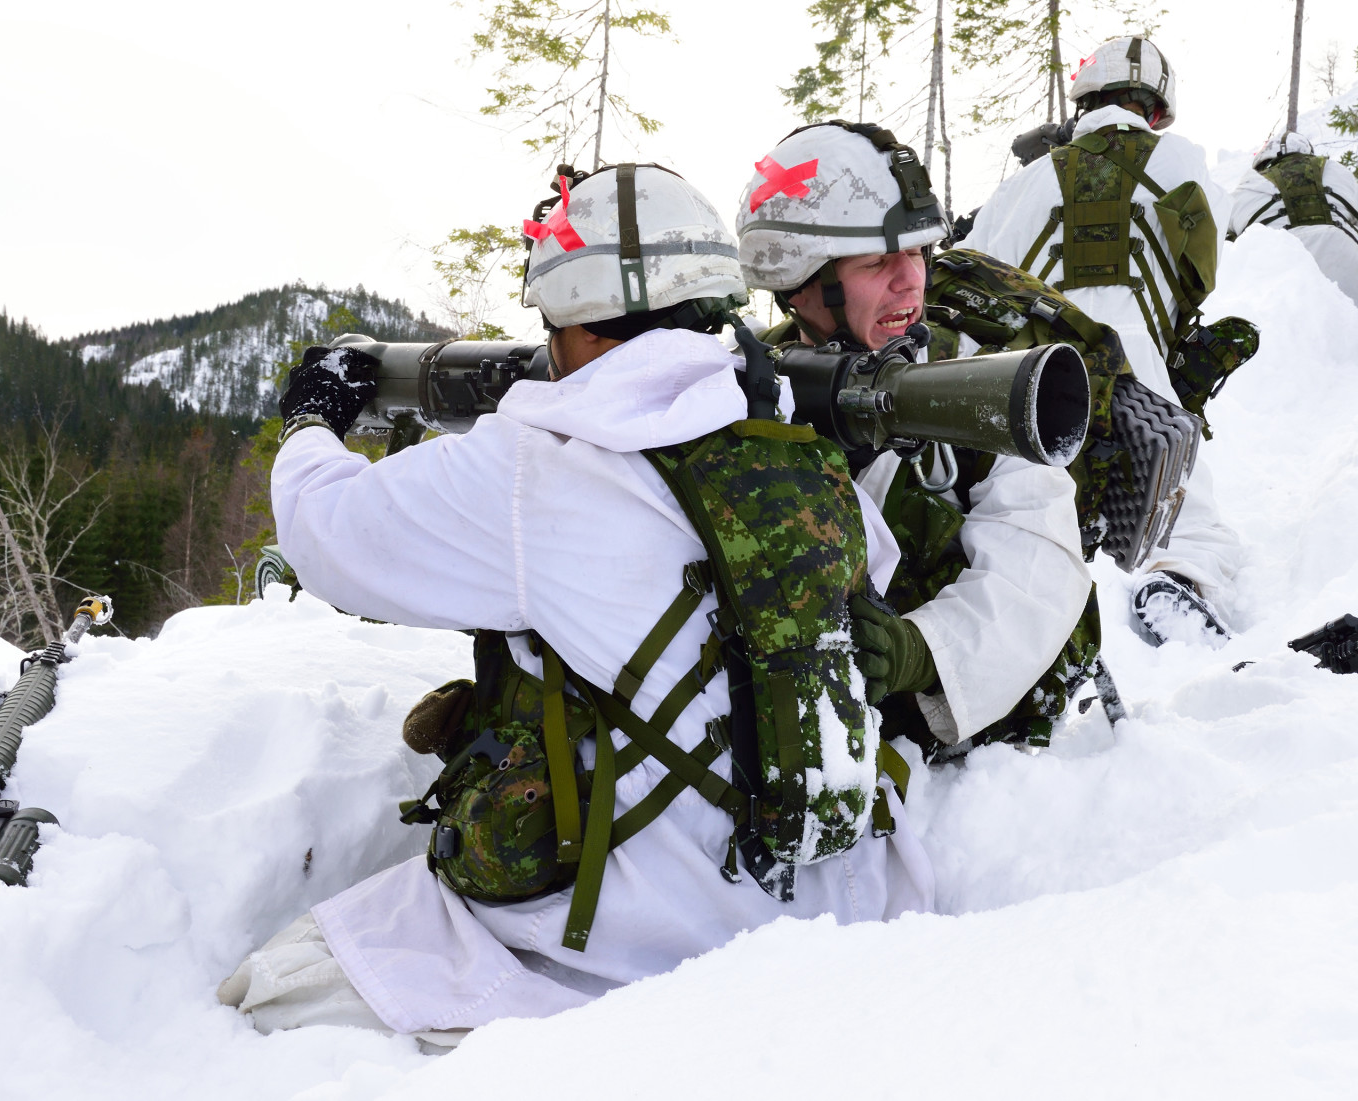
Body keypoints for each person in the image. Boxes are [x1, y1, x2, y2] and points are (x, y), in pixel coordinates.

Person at [218, 163, 934, 1044]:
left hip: (636, 945)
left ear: (587, 326)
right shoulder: (798, 451)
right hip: (831, 904)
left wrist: (312, 419)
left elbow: (328, 532)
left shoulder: (536, 469)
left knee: (266, 992)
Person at [737, 121, 1095, 756]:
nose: (911, 282)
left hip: (963, 722)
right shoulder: (742, 381)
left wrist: (921, 651)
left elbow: (1040, 563)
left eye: (919, 254)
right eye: (877, 261)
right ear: (802, 285)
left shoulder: (976, 382)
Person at [963, 36, 1243, 646]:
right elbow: (1226, 238)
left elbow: (971, 273)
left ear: (1083, 100)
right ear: (1156, 108)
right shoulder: (1184, 161)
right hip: (1141, 371)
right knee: (1188, 517)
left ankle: (1032, 599)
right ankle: (1176, 582)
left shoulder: (1024, 184)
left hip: (1033, 370)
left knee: (1024, 500)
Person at [1229, 131, 1358, 304]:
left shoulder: (1248, 184)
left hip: (1279, 271)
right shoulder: (1337, 171)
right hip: (1346, 260)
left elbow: (1223, 238)